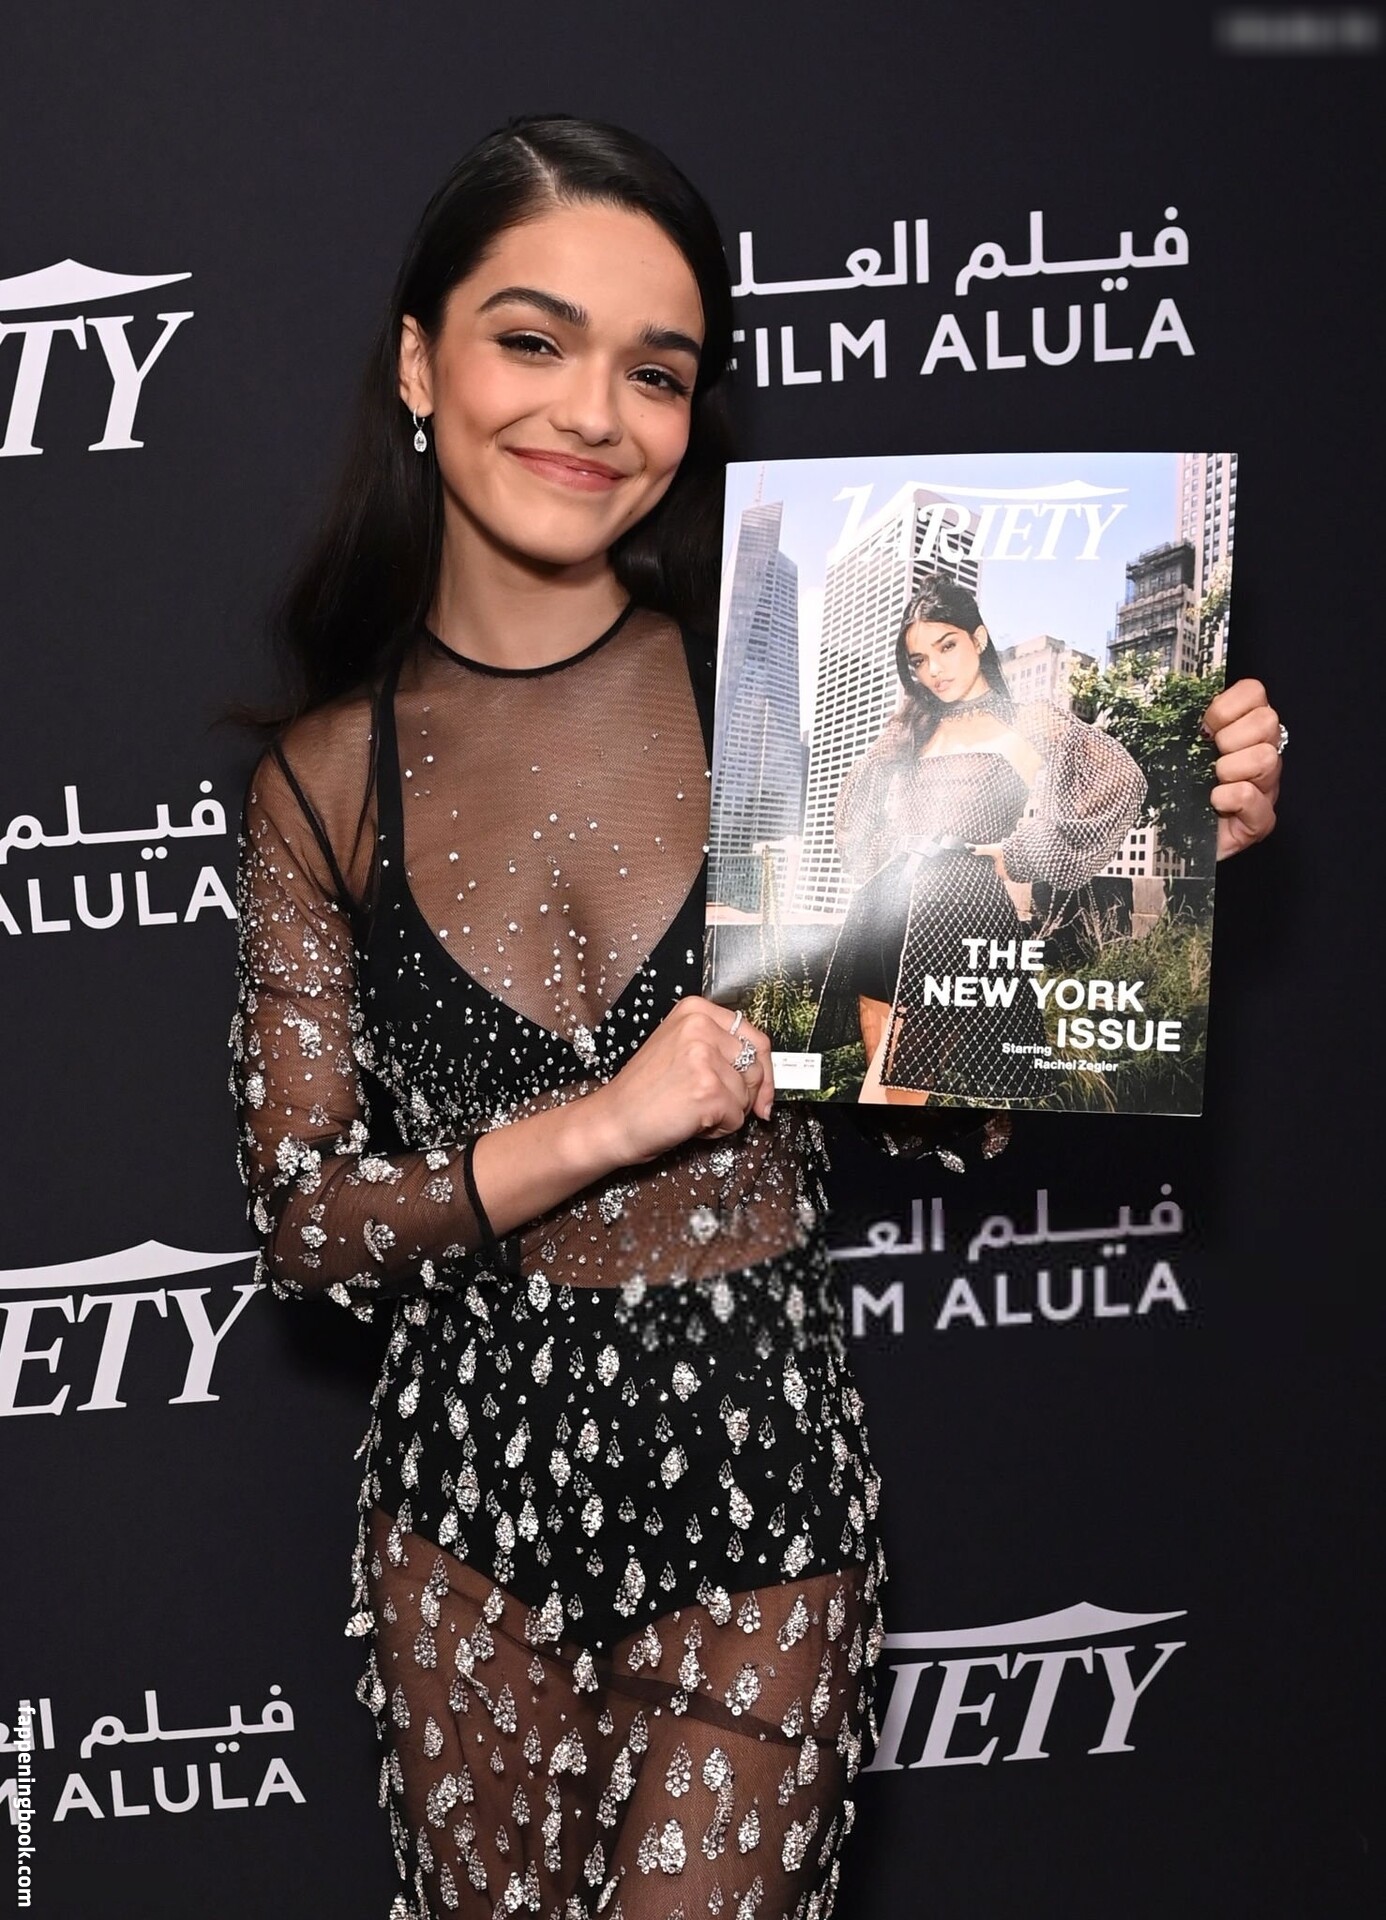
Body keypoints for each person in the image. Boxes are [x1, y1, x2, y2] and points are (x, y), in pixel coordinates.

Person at [230, 117, 1283, 1920]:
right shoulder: (325, 781)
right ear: (419, 360)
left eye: (655, 372)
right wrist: (610, 1120)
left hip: (761, 1498)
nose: (593, 414)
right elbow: (306, 1228)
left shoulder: (770, 707)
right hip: (457, 1526)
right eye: (533, 339)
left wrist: (1166, 873)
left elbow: (943, 1091)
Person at [809, 572, 1153, 1104]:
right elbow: (856, 798)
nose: (934, 670)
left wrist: (1020, 853)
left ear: (979, 638)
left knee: (890, 1096)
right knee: (885, 1092)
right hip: (885, 909)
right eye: (919, 660)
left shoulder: (1029, 720)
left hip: (957, 916)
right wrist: (884, 856)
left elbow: (1120, 781)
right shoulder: (911, 727)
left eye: (946, 646)